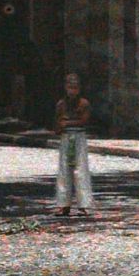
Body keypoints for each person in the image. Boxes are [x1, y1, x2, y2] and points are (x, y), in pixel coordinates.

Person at [53, 72, 95, 216]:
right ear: (66, 87)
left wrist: (67, 122)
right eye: (70, 87)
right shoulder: (61, 104)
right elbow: (57, 123)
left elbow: (84, 121)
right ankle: (63, 205)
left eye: (75, 87)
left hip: (78, 137)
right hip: (66, 138)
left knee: (80, 170)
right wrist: (60, 126)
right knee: (64, 170)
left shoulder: (84, 104)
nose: (73, 90)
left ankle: (83, 205)